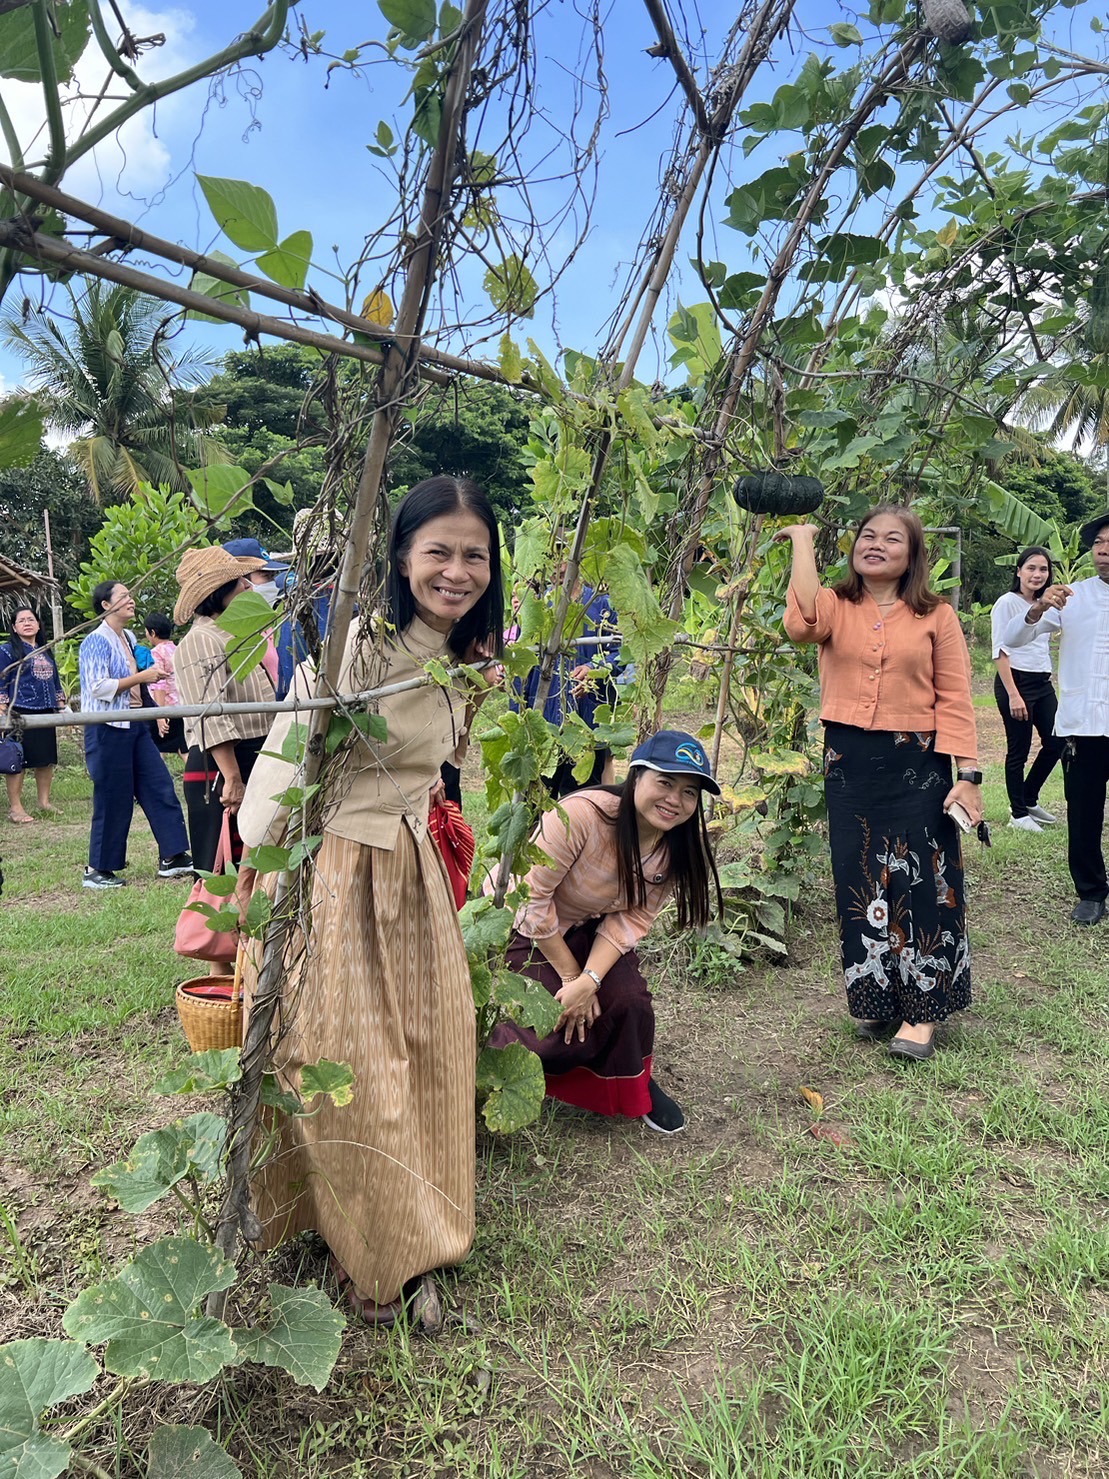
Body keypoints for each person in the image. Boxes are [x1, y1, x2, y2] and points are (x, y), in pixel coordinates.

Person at [238, 474, 504, 1330]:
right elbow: (286, 761)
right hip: (338, 870)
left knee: (429, 1046)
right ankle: (371, 1254)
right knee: (351, 1064)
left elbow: (442, 767)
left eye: (474, 555)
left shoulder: (467, 658)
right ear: (399, 555)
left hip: (410, 871)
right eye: (439, 551)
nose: (456, 571)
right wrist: (264, 864)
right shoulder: (357, 645)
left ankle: (412, 1230)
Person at [779, 509, 982, 1062]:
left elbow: (956, 698)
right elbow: (802, 623)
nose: (876, 544)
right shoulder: (835, 605)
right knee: (861, 878)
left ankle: (923, 1010)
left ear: (912, 554)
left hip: (918, 761)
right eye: (867, 536)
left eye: (893, 539)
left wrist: (968, 776)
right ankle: (878, 995)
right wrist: (803, 541)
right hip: (849, 760)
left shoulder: (937, 615)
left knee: (924, 879)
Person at [487, 729, 722, 1133]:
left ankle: (633, 1083)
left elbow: (633, 920)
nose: (675, 800)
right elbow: (529, 899)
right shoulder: (582, 815)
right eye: (665, 782)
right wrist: (571, 979)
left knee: (629, 1001)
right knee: (549, 1017)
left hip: (588, 926)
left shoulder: (676, 846)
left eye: (689, 792)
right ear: (636, 776)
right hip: (522, 924)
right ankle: (496, 1067)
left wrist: (591, 979)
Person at [1000, 512, 1109, 925]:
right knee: (1083, 813)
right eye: (1098, 543)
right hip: (1083, 725)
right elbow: (1013, 638)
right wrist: (1037, 609)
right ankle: (1091, 892)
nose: (1104, 551)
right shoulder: (1071, 597)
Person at [77, 581, 192, 889]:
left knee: (159, 784)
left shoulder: (127, 638)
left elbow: (138, 685)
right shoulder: (95, 641)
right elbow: (97, 687)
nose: (131, 600)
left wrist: (151, 702)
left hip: (136, 724)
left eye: (130, 595)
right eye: (124, 596)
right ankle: (98, 869)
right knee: (113, 796)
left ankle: (174, 855)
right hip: (107, 727)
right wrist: (141, 676)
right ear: (106, 605)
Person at [173, 547, 273, 877]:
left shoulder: (234, 635)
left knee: (254, 868)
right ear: (217, 592)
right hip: (223, 764)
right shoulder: (200, 640)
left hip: (252, 756)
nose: (248, 585)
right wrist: (232, 778)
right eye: (238, 581)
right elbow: (212, 715)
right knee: (224, 870)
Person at [520, 573, 622, 798]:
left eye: (564, 557)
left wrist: (594, 669)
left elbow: (620, 653)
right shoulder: (537, 607)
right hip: (543, 724)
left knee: (582, 799)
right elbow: (521, 664)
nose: (558, 567)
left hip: (587, 725)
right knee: (537, 800)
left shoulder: (602, 607)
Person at [990, 547, 1063, 832]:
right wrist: (1013, 694)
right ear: (1018, 571)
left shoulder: (1049, 605)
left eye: (1043, 569)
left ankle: (1028, 797)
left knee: (1057, 741)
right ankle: (1018, 815)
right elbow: (1000, 651)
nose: (1037, 574)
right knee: (1018, 750)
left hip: (1042, 682)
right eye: (1031, 568)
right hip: (1016, 681)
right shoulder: (1007, 603)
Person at [0, 607, 66, 822]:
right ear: (14, 627)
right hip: (19, 711)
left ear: (38, 625)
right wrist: (2, 707)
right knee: (16, 759)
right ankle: (16, 808)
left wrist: (61, 703)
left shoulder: (45, 650)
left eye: (31, 619)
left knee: (45, 759)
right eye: (21, 620)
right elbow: (1, 679)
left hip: (46, 710)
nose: (27, 623)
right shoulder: (6, 651)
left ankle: (44, 802)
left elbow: (55, 680)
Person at [143, 612, 187, 755]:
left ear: (153, 633)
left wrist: (160, 715)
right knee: (182, 748)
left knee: (154, 749)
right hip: (182, 705)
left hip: (165, 707)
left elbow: (159, 685)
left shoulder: (155, 653)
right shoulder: (178, 650)